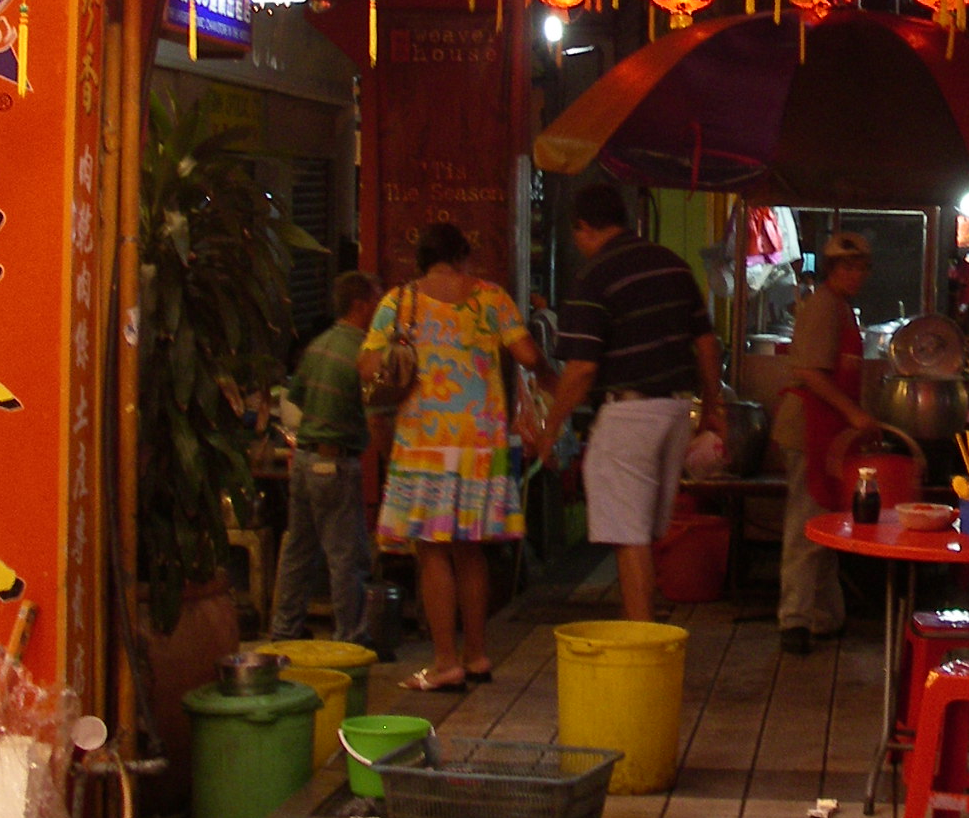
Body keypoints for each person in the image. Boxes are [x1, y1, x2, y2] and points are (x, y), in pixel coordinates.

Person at [365, 225, 552, 690]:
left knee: (432, 551)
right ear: (463, 255)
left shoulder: (398, 302)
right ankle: (477, 656)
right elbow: (528, 354)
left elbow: (367, 366)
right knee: (471, 551)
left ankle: (445, 661)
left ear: (422, 260)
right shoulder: (491, 297)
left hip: (423, 444)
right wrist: (550, 377)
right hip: (480, 444)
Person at [537, 183, 726, 623]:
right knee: (646, 530)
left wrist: (551, 428)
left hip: (629, 414)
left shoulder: (595, 275)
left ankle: (641, 637)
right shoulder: (673, 265)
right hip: (676, 411)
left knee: (628, 534)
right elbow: (706, 343)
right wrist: (712, 408)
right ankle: (644, 623)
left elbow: (581, 370)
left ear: (583, 228)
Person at [772, 232, 875, 655]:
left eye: (861, 267)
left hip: (829, 430)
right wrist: (854, 414)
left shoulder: (842, 308)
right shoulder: (822, 307)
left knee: (826, 522)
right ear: (832, 270)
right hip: (809, 427)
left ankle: (826, 616)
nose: (855, 275)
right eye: (847, 267)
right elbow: (810, 373)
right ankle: (794, 620)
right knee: (806, 522)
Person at [270, 272, 380, 644]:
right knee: (346, 556)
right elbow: (375, 411)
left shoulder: (318, 346)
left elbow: (298, 398)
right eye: (376, 301)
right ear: (361, 305)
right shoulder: (363, 352)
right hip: (336, 463)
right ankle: (351, 638)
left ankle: (284, 631)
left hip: (303, 460)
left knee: (298, 552)